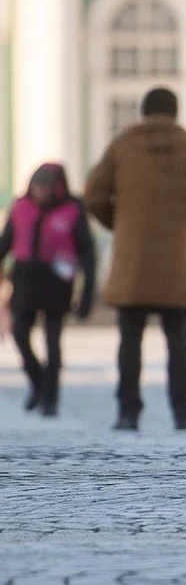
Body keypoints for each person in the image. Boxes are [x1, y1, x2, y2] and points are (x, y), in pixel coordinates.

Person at [84, 87, 186, 431]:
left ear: (143, 111)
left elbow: (93, 194)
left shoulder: (123, 146)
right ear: (175, 112)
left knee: (129, 340)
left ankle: (128, 412)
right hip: (174, 264)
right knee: (178, 342)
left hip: (131, 263)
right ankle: (183, 413)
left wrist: (119, 223)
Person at [0, 162, 96, 416]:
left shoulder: (73, 210)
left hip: (56, 284)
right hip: (24, 282)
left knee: (53, 343)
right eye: (36, 187)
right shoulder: (20, 207)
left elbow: (87, 252)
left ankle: (50, 398)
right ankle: (38, 382)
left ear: (57, 189)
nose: (40, 192)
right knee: (19, 334)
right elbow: (5, 243)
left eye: (45, 187)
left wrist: (87, 294)